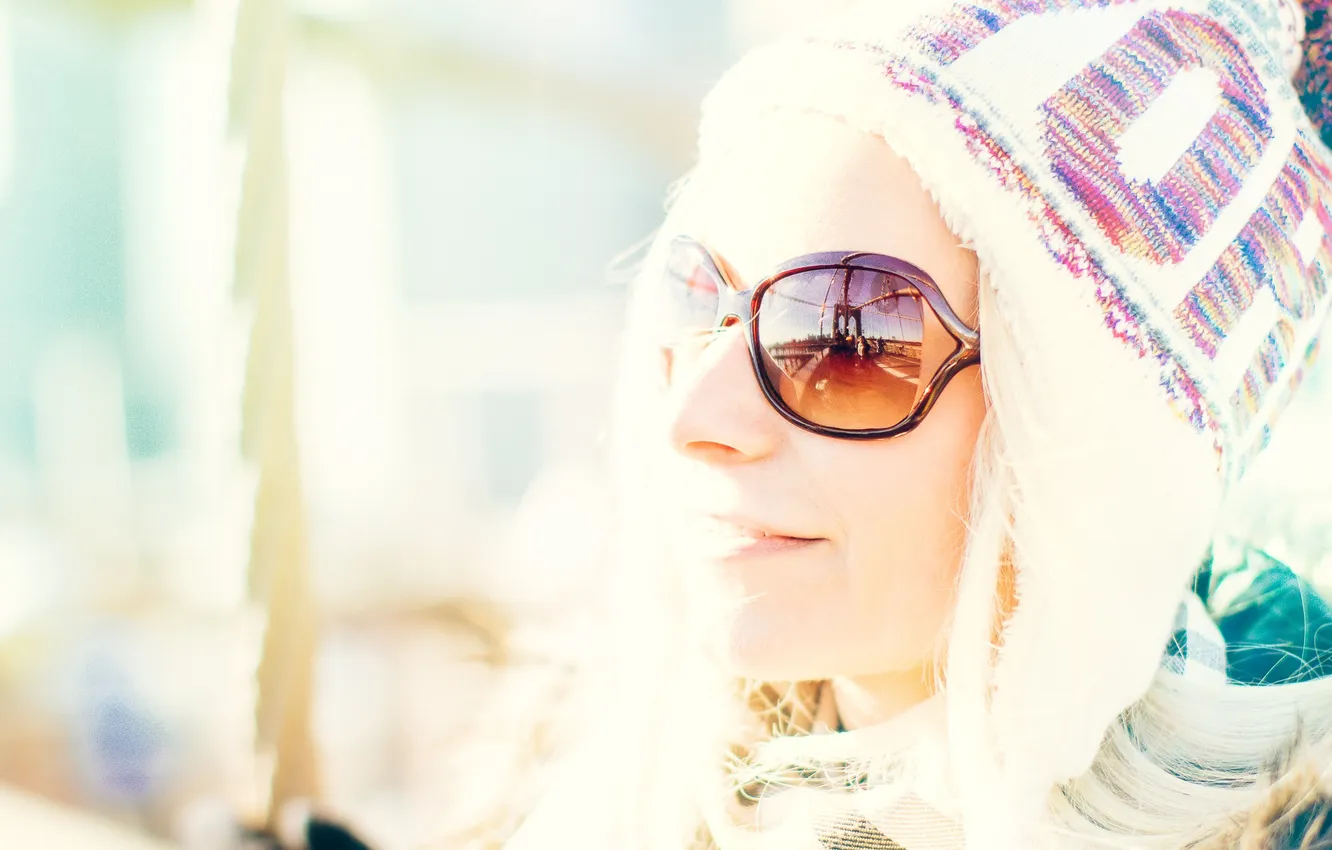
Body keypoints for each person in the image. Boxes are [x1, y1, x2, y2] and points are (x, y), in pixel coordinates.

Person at [498, 0, 1332, 847]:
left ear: (1091, 449)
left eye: (845, 335)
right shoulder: (579, 805)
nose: (693, 419)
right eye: (696, 299)